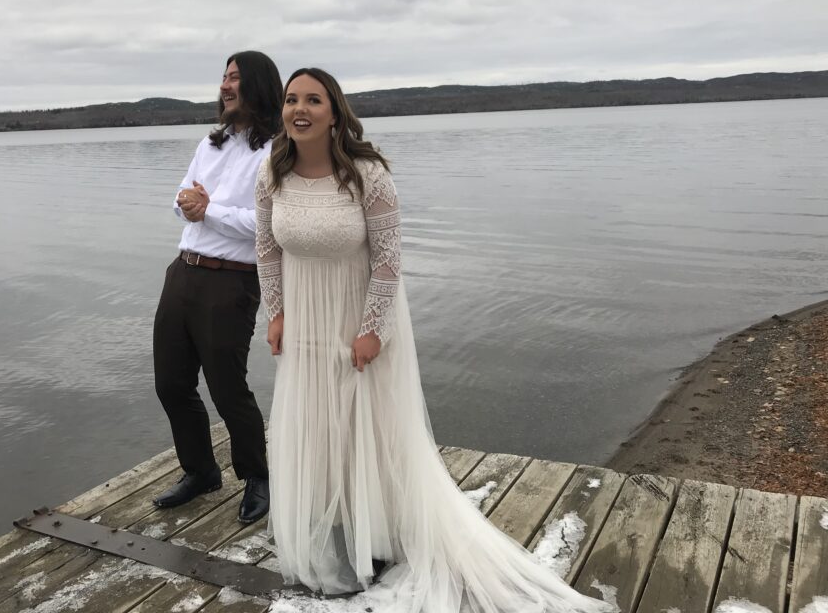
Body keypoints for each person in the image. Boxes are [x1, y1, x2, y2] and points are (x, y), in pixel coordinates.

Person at [255, 68, 611, 611]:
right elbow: (265, 249)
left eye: (313, 100)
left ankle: (374, 534)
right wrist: (276, 313)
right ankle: (333, 536)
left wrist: (372, 328)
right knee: (316, 430)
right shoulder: (271, 171)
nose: (298, 109)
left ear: (335, 113)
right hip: (303, 322)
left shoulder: (367, 174)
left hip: (358, 322)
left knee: (364, 432)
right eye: (290, 100)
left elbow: (389, 261)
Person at [151, 50, 282, 524]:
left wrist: (209, 211)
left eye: (236, 79)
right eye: (224, 78)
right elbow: (181, 196)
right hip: (182, 272)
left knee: (228, 389)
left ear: (259, 87)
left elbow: (267, 225)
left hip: (232, 282)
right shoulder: (211, 143)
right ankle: (201, 472)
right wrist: (187, 202)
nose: (226, 87)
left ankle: (257, 476)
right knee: (171, 383)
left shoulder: (276, 152)